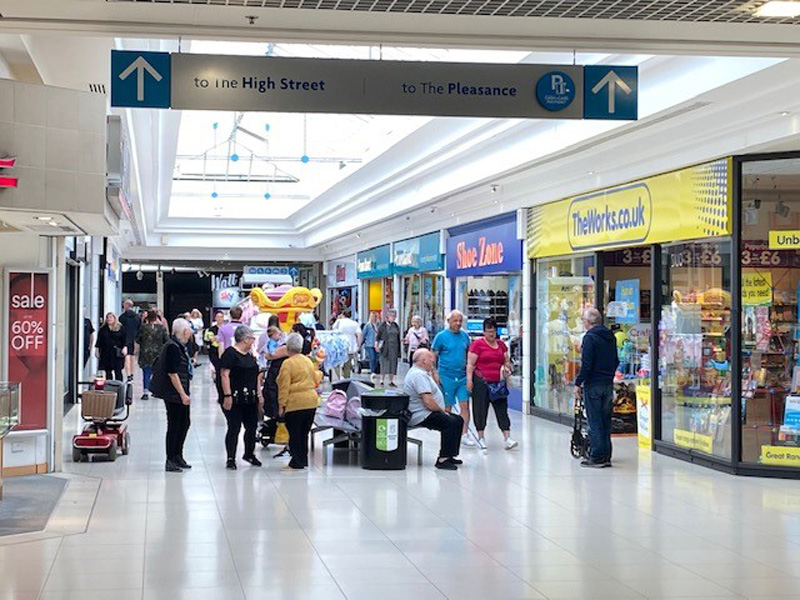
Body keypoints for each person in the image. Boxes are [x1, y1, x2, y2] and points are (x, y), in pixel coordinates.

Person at [404, 349, 464, 470]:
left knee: (458, 420)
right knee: (450, 422)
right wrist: (443, 412)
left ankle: (450, 454)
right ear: (423, 361)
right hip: (421, 414)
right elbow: (428, 402)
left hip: (425, 411)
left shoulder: (421, 373)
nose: (433, 362)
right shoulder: (418, 375)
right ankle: (442, 459)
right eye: (431, 359)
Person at [574, 307, 619, 468]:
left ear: (588, 322)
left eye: (583, 320)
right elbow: (616, 360)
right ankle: (606, 454)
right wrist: (609, 375)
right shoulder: (610, 337)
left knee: (594, 421)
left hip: (593, 384)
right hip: (607, 383)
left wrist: (578, 383)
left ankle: (597, 456)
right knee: (605, 420)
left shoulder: (589, 338)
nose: (583, 323)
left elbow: (586, 365)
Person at [467, 318, 518, 451]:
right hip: (481, 382)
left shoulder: (501, 345)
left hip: (498, 382)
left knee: (502, 409)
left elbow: (506, 360)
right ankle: (481, 437)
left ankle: (507, 437)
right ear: (484, 332)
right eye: (489, 331)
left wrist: (507, 368)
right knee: (480, 409)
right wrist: (469, 380)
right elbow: (470, 364)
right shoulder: (477, 345)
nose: (491, 334)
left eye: (494, 331)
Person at [277, 332, 323, 471]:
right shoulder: (308, 361)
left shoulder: (287, 363)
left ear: (288, 347)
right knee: (304, 433)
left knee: (294, 434)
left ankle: (296, 462)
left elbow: (283, 386)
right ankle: (303, 460)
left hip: (295, 402)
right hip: (311, 401)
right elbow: (316, 378)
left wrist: (281, 405)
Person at [220, 325, 264, 470]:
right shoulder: (230, 354)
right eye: (252, 338)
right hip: (235, 397)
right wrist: (227, 395)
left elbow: (256, 376)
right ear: (244, 339)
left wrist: (259, 395)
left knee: (251, 426)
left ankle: (249, 453)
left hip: (250, 398)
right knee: (234, 427)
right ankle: (231, 457)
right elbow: (224, 374)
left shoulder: (250, 355)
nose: (253, 341)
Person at [431, 310, 474, 447]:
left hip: (461, 376)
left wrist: (469, 377)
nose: (458, 323)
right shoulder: (441, 337)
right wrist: (434, 372)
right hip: (446, 376)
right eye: (455, 321)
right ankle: (448, 432)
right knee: (447, 406)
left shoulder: (465, 337)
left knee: (465, 405)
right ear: (448, 321)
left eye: (460, 321)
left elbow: (469, 355)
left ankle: (464, 433)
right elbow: (433, 355)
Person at [161, 318, 194, 473]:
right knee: (174, 426)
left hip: (181, 392)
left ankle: (178, 455)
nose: (190, 334)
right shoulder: (173, 347)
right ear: (184, 331)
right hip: (174, 394)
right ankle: (170, 458)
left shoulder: (179, 346)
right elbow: (172, 373)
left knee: (184, 423)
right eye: (189, 331)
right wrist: (182, 394)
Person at [136, 311, 169, 401]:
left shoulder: (143, 328)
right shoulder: (161, 328)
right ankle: (156, 391)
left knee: (146, 373)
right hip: (158, 353)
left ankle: (145, 392)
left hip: (145, 353)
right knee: (157, 373)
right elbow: (166, 340)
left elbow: (138, 339)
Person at [95, 312, 127, 381]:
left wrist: (125, 347)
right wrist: (97, 350)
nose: (109, 319)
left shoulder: (120, 328)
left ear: (114, 318)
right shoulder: (103, 329)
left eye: (111, 317)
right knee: (108, 371)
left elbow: (125, 339)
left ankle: (119, 387)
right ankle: (109, 387)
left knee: (118, 371)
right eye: (107, 317)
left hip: (117, 353)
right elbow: (99, 341)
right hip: (106, 352)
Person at [332, 308, 361, 379]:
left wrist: (338, 318)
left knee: (337, 363)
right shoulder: (355, 324)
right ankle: (346, 377)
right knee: (347, 364)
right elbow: (359, 335)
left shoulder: (339, 322)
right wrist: (358, 345)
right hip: (351, 346)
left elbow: (333, 329)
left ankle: (339, 376)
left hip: (340, 346)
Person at [376, 309, 401, 387]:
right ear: (388, 317)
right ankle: (381, 380)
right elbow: (378, 337)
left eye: (394, 316)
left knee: (393, 364)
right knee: (384, 363)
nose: (394, 318)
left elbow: (398, 337)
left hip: (394, 348)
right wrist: (376, 345)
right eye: (392, 316)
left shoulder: (396, 326)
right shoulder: (382, 326)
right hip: (385, 347)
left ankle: (391, 381)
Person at [204, 311, 225, 402]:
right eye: (218, 317)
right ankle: (220, 394)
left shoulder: (225, 328)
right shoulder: (211, 329)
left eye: (221, 317)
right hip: (214, 352)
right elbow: (208, 340)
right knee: (218, 371)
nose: (219, 319)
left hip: (225, 352)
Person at [118, 299, 141, 382]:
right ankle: (132, 373)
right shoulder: (137, 317)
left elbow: (119, 328)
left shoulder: (122, 317)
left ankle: (128, 375)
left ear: (126, 305)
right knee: (133, 357)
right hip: (134, 340)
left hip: (124, 339)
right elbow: (139, 329)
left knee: (126, 357)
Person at [362, 311, 380, 381]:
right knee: (372, 357)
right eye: (372, 317)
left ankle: (374, 370)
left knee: (376, 358)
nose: (373, 318)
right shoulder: (367, 325)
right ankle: (372, 371)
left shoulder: (377, 325)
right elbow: (363, 334)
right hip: (369, 344)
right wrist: (361, 342)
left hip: (376, 345)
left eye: (374, 317)